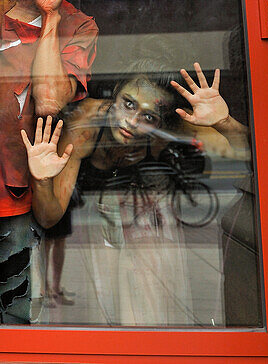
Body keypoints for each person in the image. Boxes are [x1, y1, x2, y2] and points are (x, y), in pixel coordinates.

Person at [22, 64, 250, 325]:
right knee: (100, 308)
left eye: (149, 117)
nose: (132, 121)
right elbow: (49, 217)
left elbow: (246, 152)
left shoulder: (175, 124)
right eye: (128, 104)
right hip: (95, 227)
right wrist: (41, 181)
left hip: (149, 221)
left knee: (150, 307)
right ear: (115, 92)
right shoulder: (86, 126)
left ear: (162, 122)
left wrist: (224, 122)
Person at [0, 0, 98, 324]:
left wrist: (49, 17)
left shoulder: (77, 24)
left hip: (15, 197)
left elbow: (49, 100)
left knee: (10, 318)